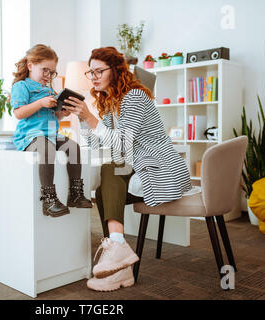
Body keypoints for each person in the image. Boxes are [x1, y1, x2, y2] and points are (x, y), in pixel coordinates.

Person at [64, 47, 192, 291]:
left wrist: (91, 118)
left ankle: (117, 254)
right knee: (103, 190)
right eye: (91, 72)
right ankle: (120, 266)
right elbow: (95, 143)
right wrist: (82, 117)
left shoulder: (133, 97)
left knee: (111, 169)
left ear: (116, 70)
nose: (93, 76)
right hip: (138, 166)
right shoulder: (111, 103)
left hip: (161, 168)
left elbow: (122, 143)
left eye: (99, 71)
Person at [11, 44, 92, 217]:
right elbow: (19, 113)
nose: (48, 76)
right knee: (46, 149)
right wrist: (40, 103)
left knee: (73, 147)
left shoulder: (48, 89)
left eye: (52, 72)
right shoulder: (22, 86)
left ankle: (75, 193)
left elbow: (53, 117)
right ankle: (48, 198)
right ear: (31, 65)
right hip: (30, 136)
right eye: (45, 70)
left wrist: (62, 113)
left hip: (51, 135)